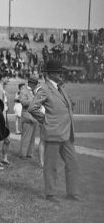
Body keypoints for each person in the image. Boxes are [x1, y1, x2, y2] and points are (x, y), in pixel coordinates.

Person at [28, 60, 81, 202]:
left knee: (73, 162)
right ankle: (50, 193)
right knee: (51, 165)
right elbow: (32, 107)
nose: (62, 74)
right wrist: (45, 120)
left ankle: (73, 193)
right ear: (50, 74)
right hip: (53, 132)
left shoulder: (60, 88)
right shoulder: (44, 89)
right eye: (59, 71)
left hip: (67, 133)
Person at [19, 76, 39, 159]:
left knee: (32, 137)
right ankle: (23, 154)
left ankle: (29, 153)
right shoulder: (23, 91)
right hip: (27, 116)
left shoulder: (34, 91)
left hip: (34, 117)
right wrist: (34, 101)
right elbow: (23, 102)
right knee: (26, 136)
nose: (36, 85)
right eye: (35, 84)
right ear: (31, 83)